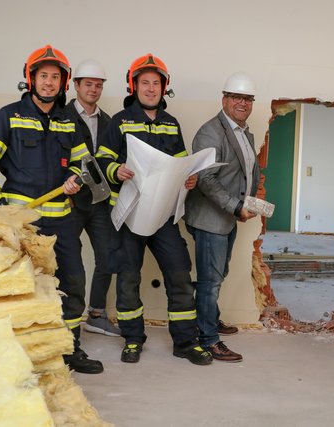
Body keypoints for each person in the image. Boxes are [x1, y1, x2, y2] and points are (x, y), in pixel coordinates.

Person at [0, 45, 103, 374]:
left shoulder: (68, 120)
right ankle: (24, 354)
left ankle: (68, 350)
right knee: (23, 287)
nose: (49, 82)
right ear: (30, 78)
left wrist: (76, 178)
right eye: (43, 75)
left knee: (73, 281)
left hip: (62, 221)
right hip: (24, 222)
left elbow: (82, 163)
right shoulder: (9, 116)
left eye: (55, 77)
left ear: (63, 83)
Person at [95, 53, 212, 365]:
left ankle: (186, 342)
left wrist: (188, 179)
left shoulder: (171, 124)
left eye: (156, 83)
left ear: (164, 88)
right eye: (144, 82)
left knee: (179, 275)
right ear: (134, 86)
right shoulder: (119, 121)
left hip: (163, 216)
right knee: (128, 279)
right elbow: (102, 160)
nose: (150, 88)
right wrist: (115, 170)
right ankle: (133, 339)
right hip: (130, 215)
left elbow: (182, 163)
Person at [184, 72, 260, 362]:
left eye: (247, 99)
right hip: (210, 218)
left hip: (228, 216)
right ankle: (208, 339)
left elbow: (246, 171)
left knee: (218, 274)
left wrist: (250, 201)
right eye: (236, 98)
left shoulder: (244, 131)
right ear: (225, 99)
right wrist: (234, 206)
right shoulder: (211, 131)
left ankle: (209, 319)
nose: (242, 103)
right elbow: (206, 179)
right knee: (210, 281)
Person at [64, 59, 120, 337]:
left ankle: (96, 314)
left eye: (98, 85)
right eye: (88, 84)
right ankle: (61, 316)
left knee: (108, 257)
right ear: (76, 85)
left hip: (99, 202)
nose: (94, 89)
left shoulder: (109, 121)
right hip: (70, 201)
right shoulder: (61, 116)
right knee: (65, 259)